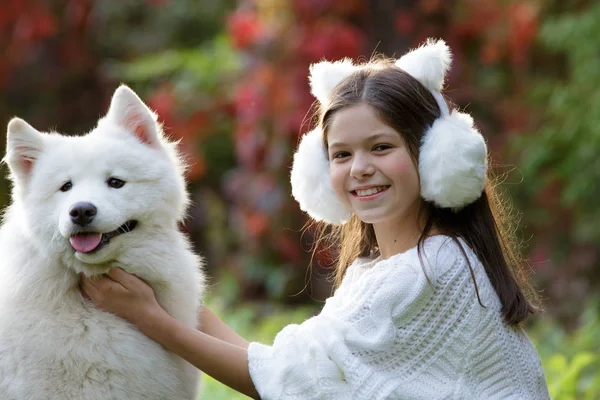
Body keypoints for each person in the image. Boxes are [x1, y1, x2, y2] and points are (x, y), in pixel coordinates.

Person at [80, 39, 550, 399]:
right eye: (341, 154)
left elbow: (276, 384)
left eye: (381, 147)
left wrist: (147, 316)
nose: (359, 168)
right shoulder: (376, 270)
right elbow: (285, 368)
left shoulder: (434, 268)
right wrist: (170, 292)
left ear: (434, 157)